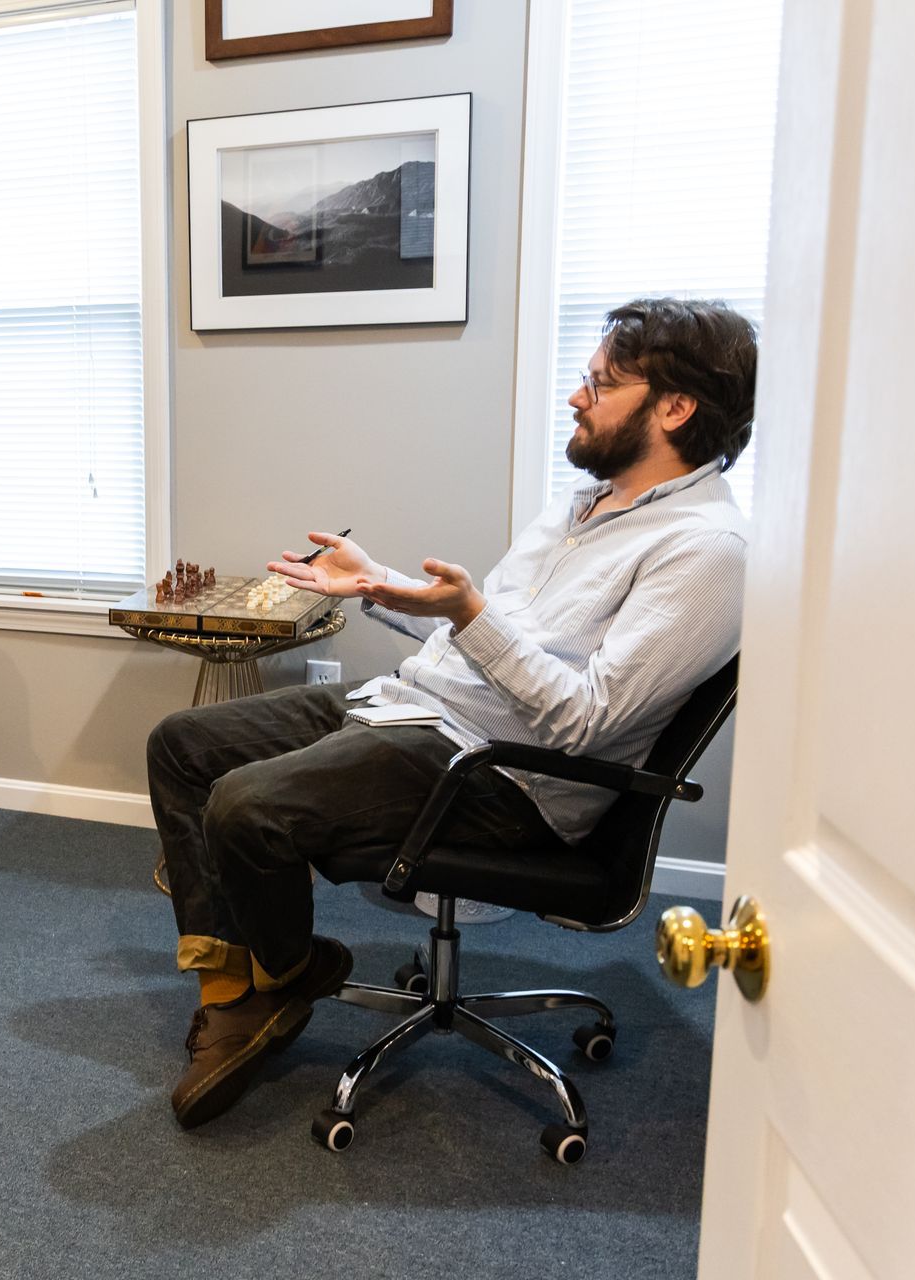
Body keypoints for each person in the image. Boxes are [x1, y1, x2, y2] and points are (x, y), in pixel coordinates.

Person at [149, 297, 757, 1128]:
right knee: (182, 746)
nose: (577, 397)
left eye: (602, 384)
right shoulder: (584, 507)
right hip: (415, 708)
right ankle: (237, 993)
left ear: (676, 408)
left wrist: (471, 616)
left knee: (244, 808)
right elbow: (486, 632)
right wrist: (380, 585)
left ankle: (283, 977)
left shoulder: (707, 552)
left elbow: (587, 722)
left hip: (504, 776)